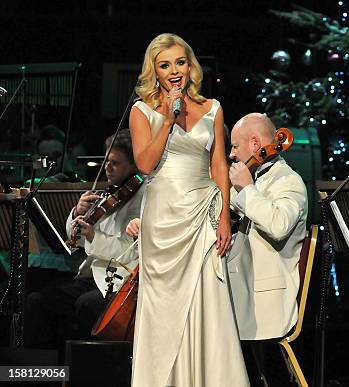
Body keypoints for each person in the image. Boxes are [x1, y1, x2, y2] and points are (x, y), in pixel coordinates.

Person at [129, 33, 249, 386]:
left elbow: (219, 168)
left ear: (190, 65)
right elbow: (145, 165)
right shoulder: (142, 111)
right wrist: (167, 117)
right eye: (165, 65)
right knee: (163, 307)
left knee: (208, 302)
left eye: (180, 62)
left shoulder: (213, 108)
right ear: (155, 71)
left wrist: (225, 215)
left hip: (203, 216)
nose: (174, 71)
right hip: (163, 221)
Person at [25, 129, 143, 349]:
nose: (106, 168)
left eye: (114, 163)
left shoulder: (143, 198)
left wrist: (93, 235)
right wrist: (77, 213)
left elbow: (131, 252)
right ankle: (46, 371)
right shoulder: (112, 193)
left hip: (117, 281)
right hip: (91, 276)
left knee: (84, 305)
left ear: (134, 165)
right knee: (36, 301)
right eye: (106, 161)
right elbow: (75, 239)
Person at [226, 113, 307, 385]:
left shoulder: (288, 181)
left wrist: (246, 189)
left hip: (264, 300)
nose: (231, 153)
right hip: (240, 289)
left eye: (235, 146)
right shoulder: (255, 179)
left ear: (255, 142)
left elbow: (279, 224)